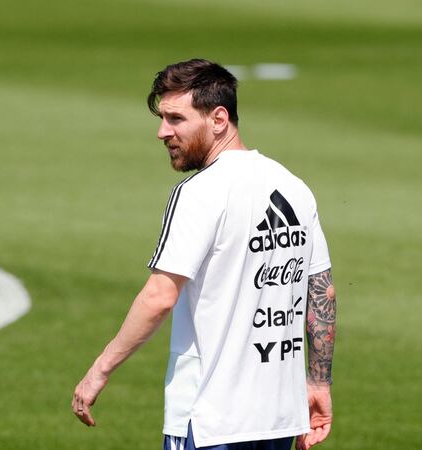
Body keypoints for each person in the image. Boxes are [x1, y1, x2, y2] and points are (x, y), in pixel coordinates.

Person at [72, 58, 336, 450]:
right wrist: (318, 381)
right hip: (280, 418)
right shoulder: (293, 185)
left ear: (218, 118)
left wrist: (100, 369)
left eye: (176, 119)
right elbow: (323, 290)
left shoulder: (200, 192)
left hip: (211, 420)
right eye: (162, 118)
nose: (162, 132)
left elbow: (160, 296)